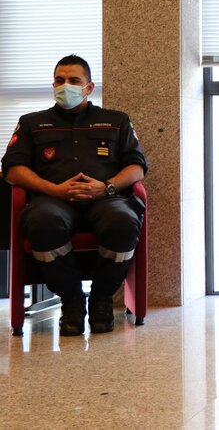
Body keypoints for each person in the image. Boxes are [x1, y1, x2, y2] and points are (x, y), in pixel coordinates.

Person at [1, 55, 147, 336]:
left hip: (105, 199)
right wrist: (53, 189)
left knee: (124, 222)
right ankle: (72, 300)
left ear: (89, 87)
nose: (65, 86)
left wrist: (106, 187)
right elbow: (12, 170)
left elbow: (137, 167)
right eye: (59, 80)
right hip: (52, 201)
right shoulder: (31, 123)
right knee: (41, 222)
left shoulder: (116, 120)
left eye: (73, 80)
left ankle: (101, 299)